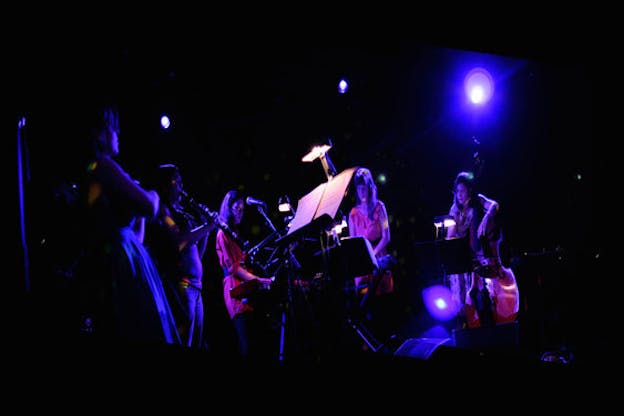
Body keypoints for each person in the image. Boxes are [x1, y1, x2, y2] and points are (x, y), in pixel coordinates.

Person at [75, 104, 180, 346]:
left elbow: (138, 237)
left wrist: (136, 208)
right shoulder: (103, 166)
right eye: (115, 130)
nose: (119, 136)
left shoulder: (94, 170)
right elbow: (151, 206)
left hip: (126, 254)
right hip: (120, 260)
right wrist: (152, 193)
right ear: (101, 132)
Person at [147, 164, 216, 349]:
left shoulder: (182, 213)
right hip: (182, 285)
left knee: (196, 343)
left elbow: (197, 254)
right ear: (166, 184)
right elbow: (180, 242)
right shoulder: (164, 211)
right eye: (176, 181)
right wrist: (207, 227)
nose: (181, 186)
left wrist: (206, 231)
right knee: (182, 341)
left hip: (196, 287)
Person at [445, 171, 519, 329]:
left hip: (482, 258)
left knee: (483, 295)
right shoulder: (454, 210)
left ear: (469, 190)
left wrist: (486, 218)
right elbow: (451, 237)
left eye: (463, 191)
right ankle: (468, 325)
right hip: (466, 257)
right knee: (465, 297)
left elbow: (494, 205)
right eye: (457, 191)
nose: (460, 195)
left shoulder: (478, 200)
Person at [215, 190, 274, 359]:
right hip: (234, 289)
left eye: (242, 209)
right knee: (245, 344)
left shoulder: (236, 234)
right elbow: (233, 269)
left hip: (244, 287)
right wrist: (258, 280)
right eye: (237, 208)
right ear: (229, 208)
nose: (241, 212)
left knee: (255, 341)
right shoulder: (222, 234)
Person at [347, 167, 397, 344]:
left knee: (384, 300)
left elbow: (386, 236)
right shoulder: (353, 214)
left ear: (370, 187)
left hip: (378, 254)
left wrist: (373, 256)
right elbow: (353, 242)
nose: (362, 191)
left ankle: (388, 336)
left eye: (365, 187)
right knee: (367, 302)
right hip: (363, 261)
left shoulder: (379, 207)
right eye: (359, 188)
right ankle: (371, 341)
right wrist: (366, 258)